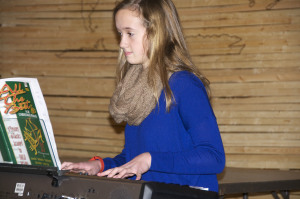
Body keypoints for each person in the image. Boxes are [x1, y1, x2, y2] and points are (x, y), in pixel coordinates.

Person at [61, 0, 225, 193]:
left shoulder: (184, 84)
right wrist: (101, 166)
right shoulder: (135, 89)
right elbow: (134, 158)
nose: (122, 43)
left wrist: (149, 159)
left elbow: (214, 157)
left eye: (130, 33)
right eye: (120, 34)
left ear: (157, 33)